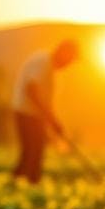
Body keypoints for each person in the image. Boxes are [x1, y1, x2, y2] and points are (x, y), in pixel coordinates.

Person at [11, 38, 80, 182]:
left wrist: (53, 121)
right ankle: (23, 185)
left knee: (34, 153)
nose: (68, 65)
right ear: (63, 53)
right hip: (26, 113)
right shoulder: (42, 61)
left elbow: (46, 100)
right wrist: (49, 117)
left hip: (34, 115)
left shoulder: (50, 68)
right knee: (32, 153)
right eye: (70, 60)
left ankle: (23, 184)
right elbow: (31, 90)